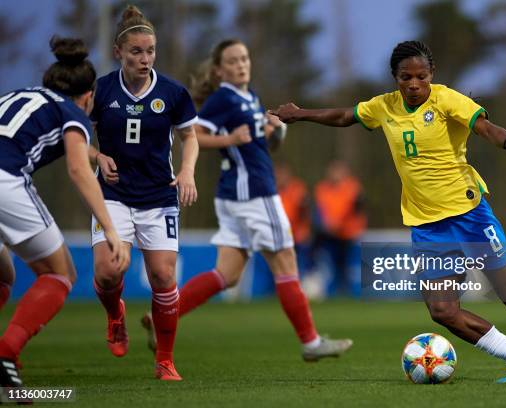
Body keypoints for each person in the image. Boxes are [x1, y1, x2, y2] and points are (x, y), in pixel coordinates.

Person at [270, 40, 506, 382]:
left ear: (432, 75)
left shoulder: (447, 99)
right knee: (443, 310)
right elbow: (345, 116)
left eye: (421, 76)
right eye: (406, 77)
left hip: (471, 216)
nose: (414, 84)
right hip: (429, 227)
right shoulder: (384, 106)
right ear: (395, 78)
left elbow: (486, 128)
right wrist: (301, 114)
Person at [141, 39, 352, 362]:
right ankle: (310, 342)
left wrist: (271, 132)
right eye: (234, 60)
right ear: (219, 70)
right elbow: (192, 136)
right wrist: (230, 138)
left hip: (234, 195)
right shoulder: (224, 99)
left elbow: (252, 144)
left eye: (245, 58)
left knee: (227, 274)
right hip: (254, 193)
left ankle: (163, 317)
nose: (242, 64)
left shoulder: (249, 96)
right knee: (286, 264)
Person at [0, 37, 128, 389]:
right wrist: (110, 229)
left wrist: (94, 154)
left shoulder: (21, 95)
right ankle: (6, 353)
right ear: (88, 97)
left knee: (4, 274)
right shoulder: (74, 113)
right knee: (60, 273)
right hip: (4, 181)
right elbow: (77, 169)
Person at [89, 5, 199, 381]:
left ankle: (165, 361)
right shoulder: (100, 89)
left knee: (164, 278)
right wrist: (97, 155)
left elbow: (189, 136)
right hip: (112, 195)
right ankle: (115, 315)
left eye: (150, 51)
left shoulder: (172, 92)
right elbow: (74, 137)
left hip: (158, 196)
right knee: (107, 273)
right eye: (136, 51)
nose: (145, 58)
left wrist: (186, 170)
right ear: (118, 52)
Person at [312, 160, 366, 295]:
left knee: (352, 268)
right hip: (330, 236)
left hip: (350, 235)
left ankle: (356, 295)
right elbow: (319, 210)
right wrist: (324, 224)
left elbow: (353, 209)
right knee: (333, 268)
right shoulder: (322, 188)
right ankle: (333, 295)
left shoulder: (353, 187)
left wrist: (337, 224)